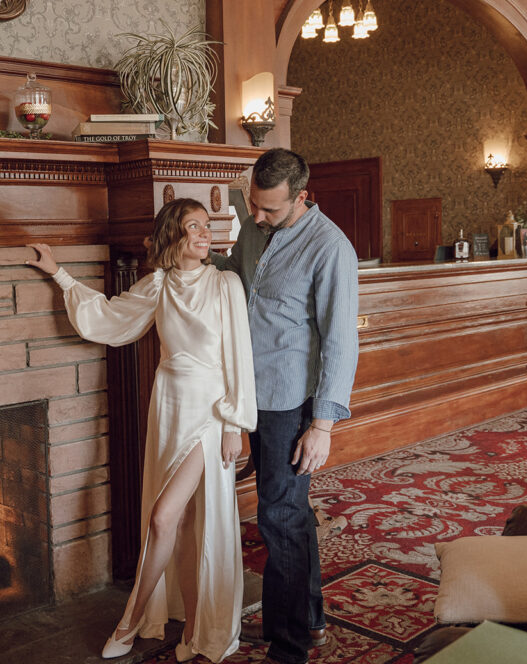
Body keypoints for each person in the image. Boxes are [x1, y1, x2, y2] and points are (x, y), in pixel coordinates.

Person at [25, 198, 257, 662]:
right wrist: (60, 275)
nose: (203, 233)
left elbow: (240, 355)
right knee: (185, 522)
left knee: (163, 517)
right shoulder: (160, 285)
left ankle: (130, 623)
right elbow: (109, 316)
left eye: (205, 226)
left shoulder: (225, 283)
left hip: (210, 412)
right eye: (192, 227)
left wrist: (236, 423)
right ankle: (192, 625)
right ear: (174, 235)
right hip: (168, 405)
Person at [209, 149, 359, 664]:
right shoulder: (253, 227)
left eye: (269, 210)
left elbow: (341, 342)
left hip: (291, 403)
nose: (256, 217)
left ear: (301, 197)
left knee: (279, 515)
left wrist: (322, 425)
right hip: (247, 393)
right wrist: (194, 255)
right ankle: (305, 623)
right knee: (290, 513)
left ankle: (289, 646)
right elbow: (235, 274)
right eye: (253, 204)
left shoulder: (330, 248)